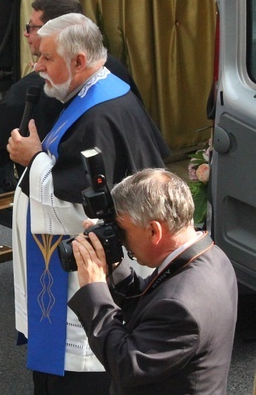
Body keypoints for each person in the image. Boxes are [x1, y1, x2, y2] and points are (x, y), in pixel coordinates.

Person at [6, 13, 169, 393]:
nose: (37, 66)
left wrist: (33, 159)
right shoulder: (106, 91)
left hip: (84, 276)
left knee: (78, 380)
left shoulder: (99, 113)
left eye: (47, 58)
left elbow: (83, 209)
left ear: (79, 61)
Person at [68, 169, 237, 394]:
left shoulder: (181, 307)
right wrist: (113, 265)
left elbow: (126, 364)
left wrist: (94, 288)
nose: (122, 240)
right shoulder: (211, 256)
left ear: (153, 230)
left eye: (123, 231)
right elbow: (150, 304)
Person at [0, 0, 142, 171]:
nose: (26, 34)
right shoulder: (112, 68)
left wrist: (34, 159)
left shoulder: (43, 87)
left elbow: (71, 188)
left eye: (31, 27)